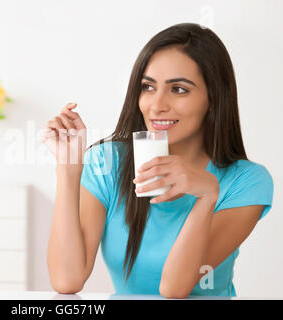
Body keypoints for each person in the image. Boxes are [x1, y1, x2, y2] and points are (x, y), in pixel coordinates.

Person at [42, 23, 273, 298]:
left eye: (179, 90)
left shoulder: (247, 182)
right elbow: (67, 280)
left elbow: (174, 289)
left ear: (213, 98)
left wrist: (207, 196)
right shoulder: (107, 163)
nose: (157, 104)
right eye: (148, 87)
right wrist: (68, 169)